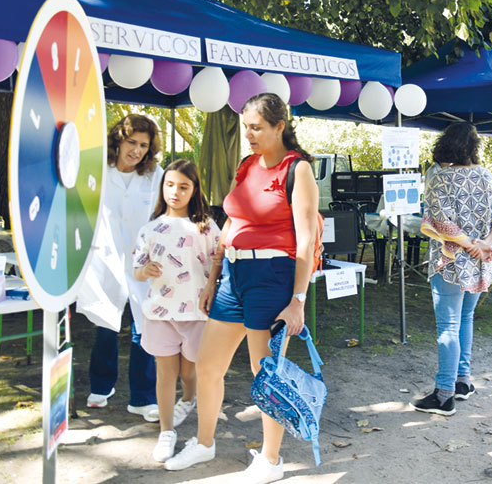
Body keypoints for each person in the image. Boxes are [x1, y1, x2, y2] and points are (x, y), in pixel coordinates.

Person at [165, 93, 319, 484]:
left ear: (279, 126)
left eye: (256, 128)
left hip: (273, 276)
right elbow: (231, 223)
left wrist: (297, 301)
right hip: (234, 275)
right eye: (245, 126)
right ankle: (204, 444)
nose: (248, 134)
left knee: (264, 373)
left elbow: (305, 240)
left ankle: (270, 461)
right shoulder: (247, 164)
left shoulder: (297, 169)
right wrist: (214, 279)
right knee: (208, 365)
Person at [413, 122, 492, 415]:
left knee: (448, 327)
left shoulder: (441, 180)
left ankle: (444, 395)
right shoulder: (488, 177)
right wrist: (486, 245)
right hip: (481, 262)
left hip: (451, 264)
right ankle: (462, 381)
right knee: (465, 318)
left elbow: (441, 224)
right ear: (473, 148)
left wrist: (471, 245)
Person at [133, 160, 221, 462]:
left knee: (189, 371)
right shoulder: (150, 228)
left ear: (194, 190)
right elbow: (137, 270)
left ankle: (189, 398)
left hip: (197, 313)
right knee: (165, 374)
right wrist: (145, 270)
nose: (175, 191)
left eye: (183, 186)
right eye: (170, 184)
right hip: (160, 312)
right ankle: (166, 432)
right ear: (163, 186)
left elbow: (218, 263)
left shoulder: (206, 226)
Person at [81, 114, 163, 420]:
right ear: (119, 139)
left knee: (143, 330)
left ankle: (143, 397)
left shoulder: (155, 176)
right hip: (105, 259)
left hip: (143, 263)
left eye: (143, 145)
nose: (137, 150)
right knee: (105, 326)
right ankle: (101, 386)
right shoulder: (98, 171)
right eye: (132, 142)